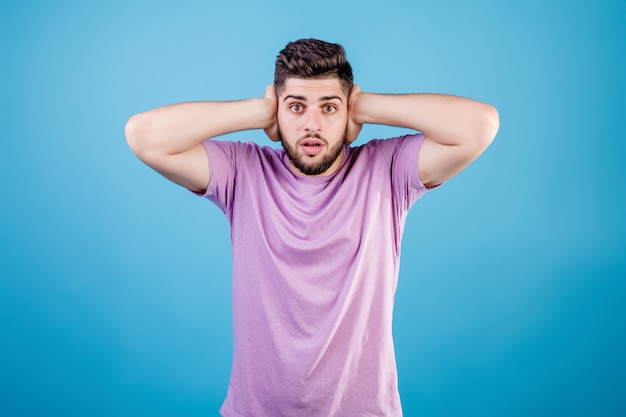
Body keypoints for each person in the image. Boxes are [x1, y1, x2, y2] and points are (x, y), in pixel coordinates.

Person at [125, 38, 499, 417]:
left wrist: (364, 104)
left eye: (329, 108)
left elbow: (480, 125)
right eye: (297, 108)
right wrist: (258, 111)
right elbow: (144, 136)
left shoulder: (388, 170)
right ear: (278, 112)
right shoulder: (242, 172)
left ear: (348, 115)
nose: (312, 125)